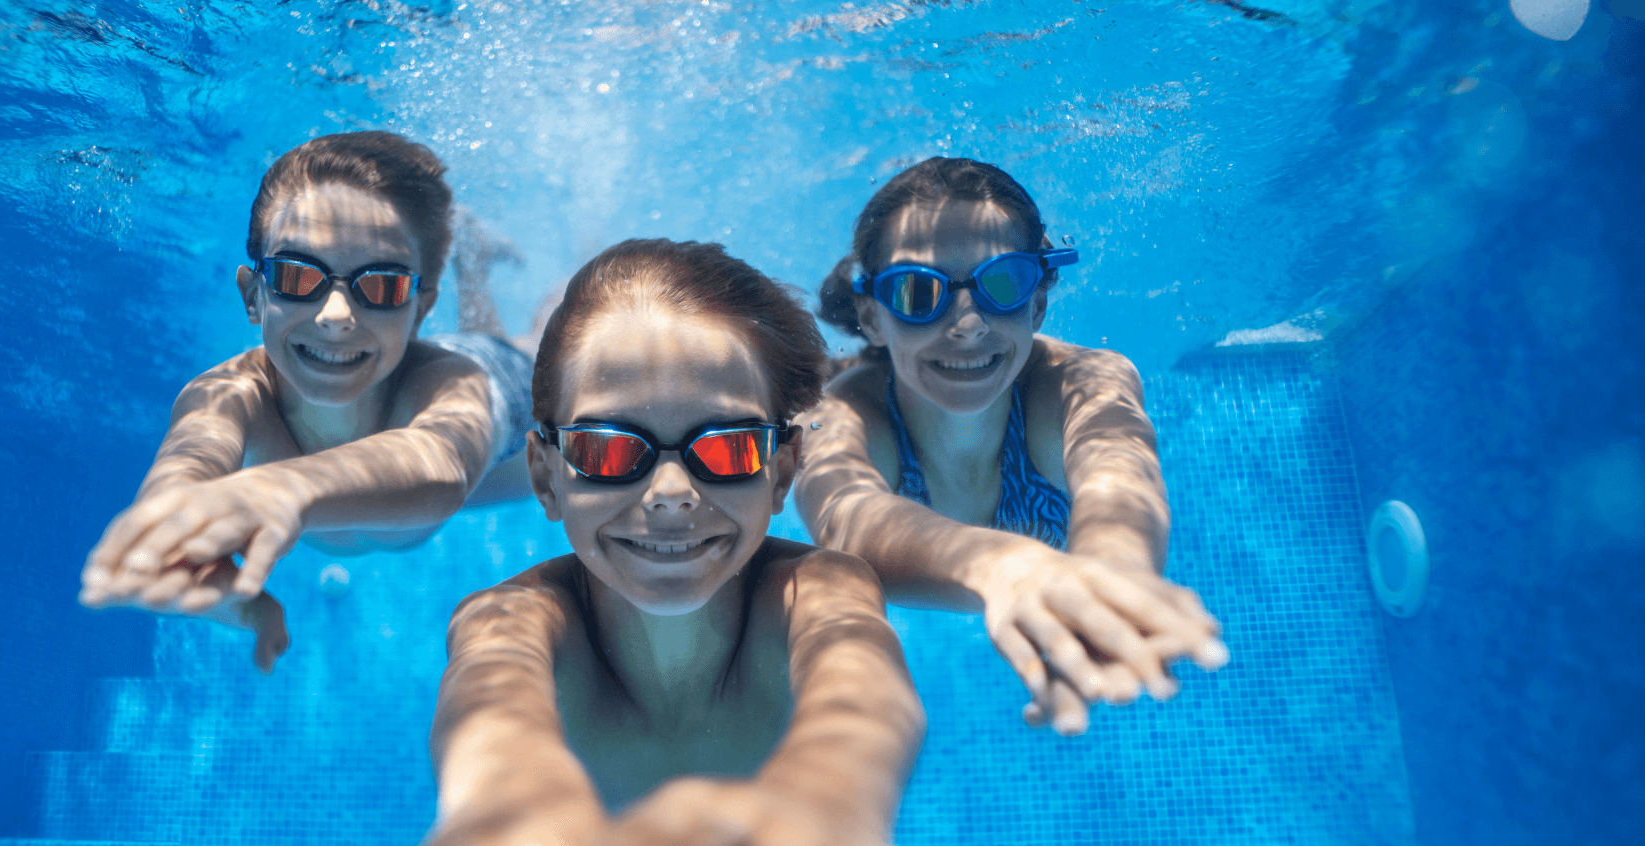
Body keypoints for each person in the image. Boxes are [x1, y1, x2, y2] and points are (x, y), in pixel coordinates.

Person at [428, 240, 924, 846]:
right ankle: (481, 265)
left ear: (781, 474)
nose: (670, 494)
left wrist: (826, 803)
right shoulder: (509, 619)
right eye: (608, 449)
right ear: (546, 479)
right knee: (512, 370)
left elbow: (870, 698)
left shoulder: (817, 591)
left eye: (729, 447)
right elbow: (487, 719)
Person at [795, 157, 1228, 735]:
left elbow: (1120, 477)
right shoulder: (841, 414)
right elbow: (848, 522)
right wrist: (1001, 565)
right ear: (872, 318)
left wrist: (1113, 580)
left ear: (1038, 304)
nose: (969, 323)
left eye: (1003, 284)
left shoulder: (1084, 383)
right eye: (918, 293)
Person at [78, 131, 537, 671]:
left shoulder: (449, 384)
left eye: (382, 285)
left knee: (545, 344)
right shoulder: (228, 395)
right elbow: (182, 480)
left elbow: (442, 465)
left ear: (418, 308)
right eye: (297, 275)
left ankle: (483, 259)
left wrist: (285, 487)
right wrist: (181, 551)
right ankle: (473, 258)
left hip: (505, 410)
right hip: (402, 494)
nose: (336, 315)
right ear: (254, 295)